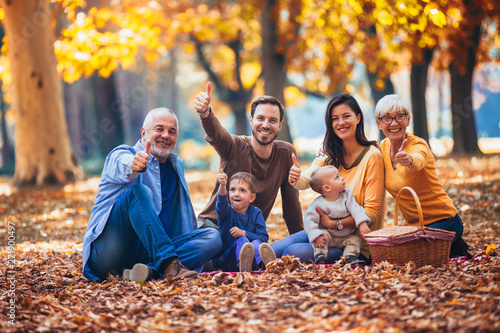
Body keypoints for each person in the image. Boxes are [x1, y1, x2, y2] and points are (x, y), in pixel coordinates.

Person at [82, 108, 223, 282]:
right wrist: (133, 165)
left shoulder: (175, 165)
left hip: (145, 255)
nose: (166, 135)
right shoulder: (123, 154)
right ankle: (169, 265)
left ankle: (146, 271)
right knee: (138, 193)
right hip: (107, 254)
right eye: (159, 129)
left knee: (213, 237)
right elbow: (119, 164)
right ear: (143, 133)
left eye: (172, 132)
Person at [271, 93, 386, 264]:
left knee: (291, 252)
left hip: (355, 245)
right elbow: (305, 181)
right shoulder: (329, 155)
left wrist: (334, 223)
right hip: (324, 233)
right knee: (274, 249)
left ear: (358, 118)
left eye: (346, 116)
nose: (341, 123)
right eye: (335, 118)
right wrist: (295, 176)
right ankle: (233, 262)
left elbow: (373, 213)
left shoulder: (372, 156)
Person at [193, 82, 303, 236]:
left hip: (248, 237)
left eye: (272, 120)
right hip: (213, 228)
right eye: (260, 118)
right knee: (213, 244)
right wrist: (205, 113)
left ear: (280, 125)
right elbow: (216, 133)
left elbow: (291, 207)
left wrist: (299, 240)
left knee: (300, 243)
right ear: (251, 120)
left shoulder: (286, 153)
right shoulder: (234, 145)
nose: (266, 125)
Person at [375, 94, 471, 258]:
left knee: (410, 254)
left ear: (408, 120)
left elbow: (418, 160)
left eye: (400, 116)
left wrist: (409, 159)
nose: (394, 123)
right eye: (387, 118)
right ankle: (452, 250)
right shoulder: (381, 148)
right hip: (414, 225)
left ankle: (449, 245)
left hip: (445, 220)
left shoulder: (418, 144)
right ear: (379, 123)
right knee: (391, 247)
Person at [304, 165, 371, 264]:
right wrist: (316, 236)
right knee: (322, 236)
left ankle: (349, 257)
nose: (342, 178)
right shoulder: (318, 204)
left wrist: (362, 223)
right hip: (329, 235)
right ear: (327, 188)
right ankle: (320, 256)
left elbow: (357, 210)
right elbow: (309, 220)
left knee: (356, 240)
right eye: (337, 177)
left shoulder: (347, 197)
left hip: (346, 237)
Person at [215, 170, 277, 272]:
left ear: (251, 198)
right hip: (228, 260)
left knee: (257, 243)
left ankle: (267, 265)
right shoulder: (226, 212)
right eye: (232, 189)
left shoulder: (256, 213)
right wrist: (222, 185)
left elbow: (263, 237)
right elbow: (221, 202)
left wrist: (244, 233)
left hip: (254, 258)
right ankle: (244, 264)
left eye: (242, 190)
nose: (236, 194)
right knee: (242, 240)